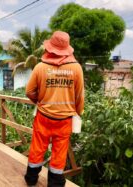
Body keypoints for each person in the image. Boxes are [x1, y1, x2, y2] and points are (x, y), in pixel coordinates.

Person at [24, 31, 84, 187]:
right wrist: (78, 112)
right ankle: (55, 183)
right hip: (64, 120)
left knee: (37, 147)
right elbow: (79, 96)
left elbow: (29, 91)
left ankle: (31, 178)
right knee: (60, 151)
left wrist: (40, 101)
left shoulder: (40, 67)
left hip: (43, 116)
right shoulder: (76, 68)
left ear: (50, 48)